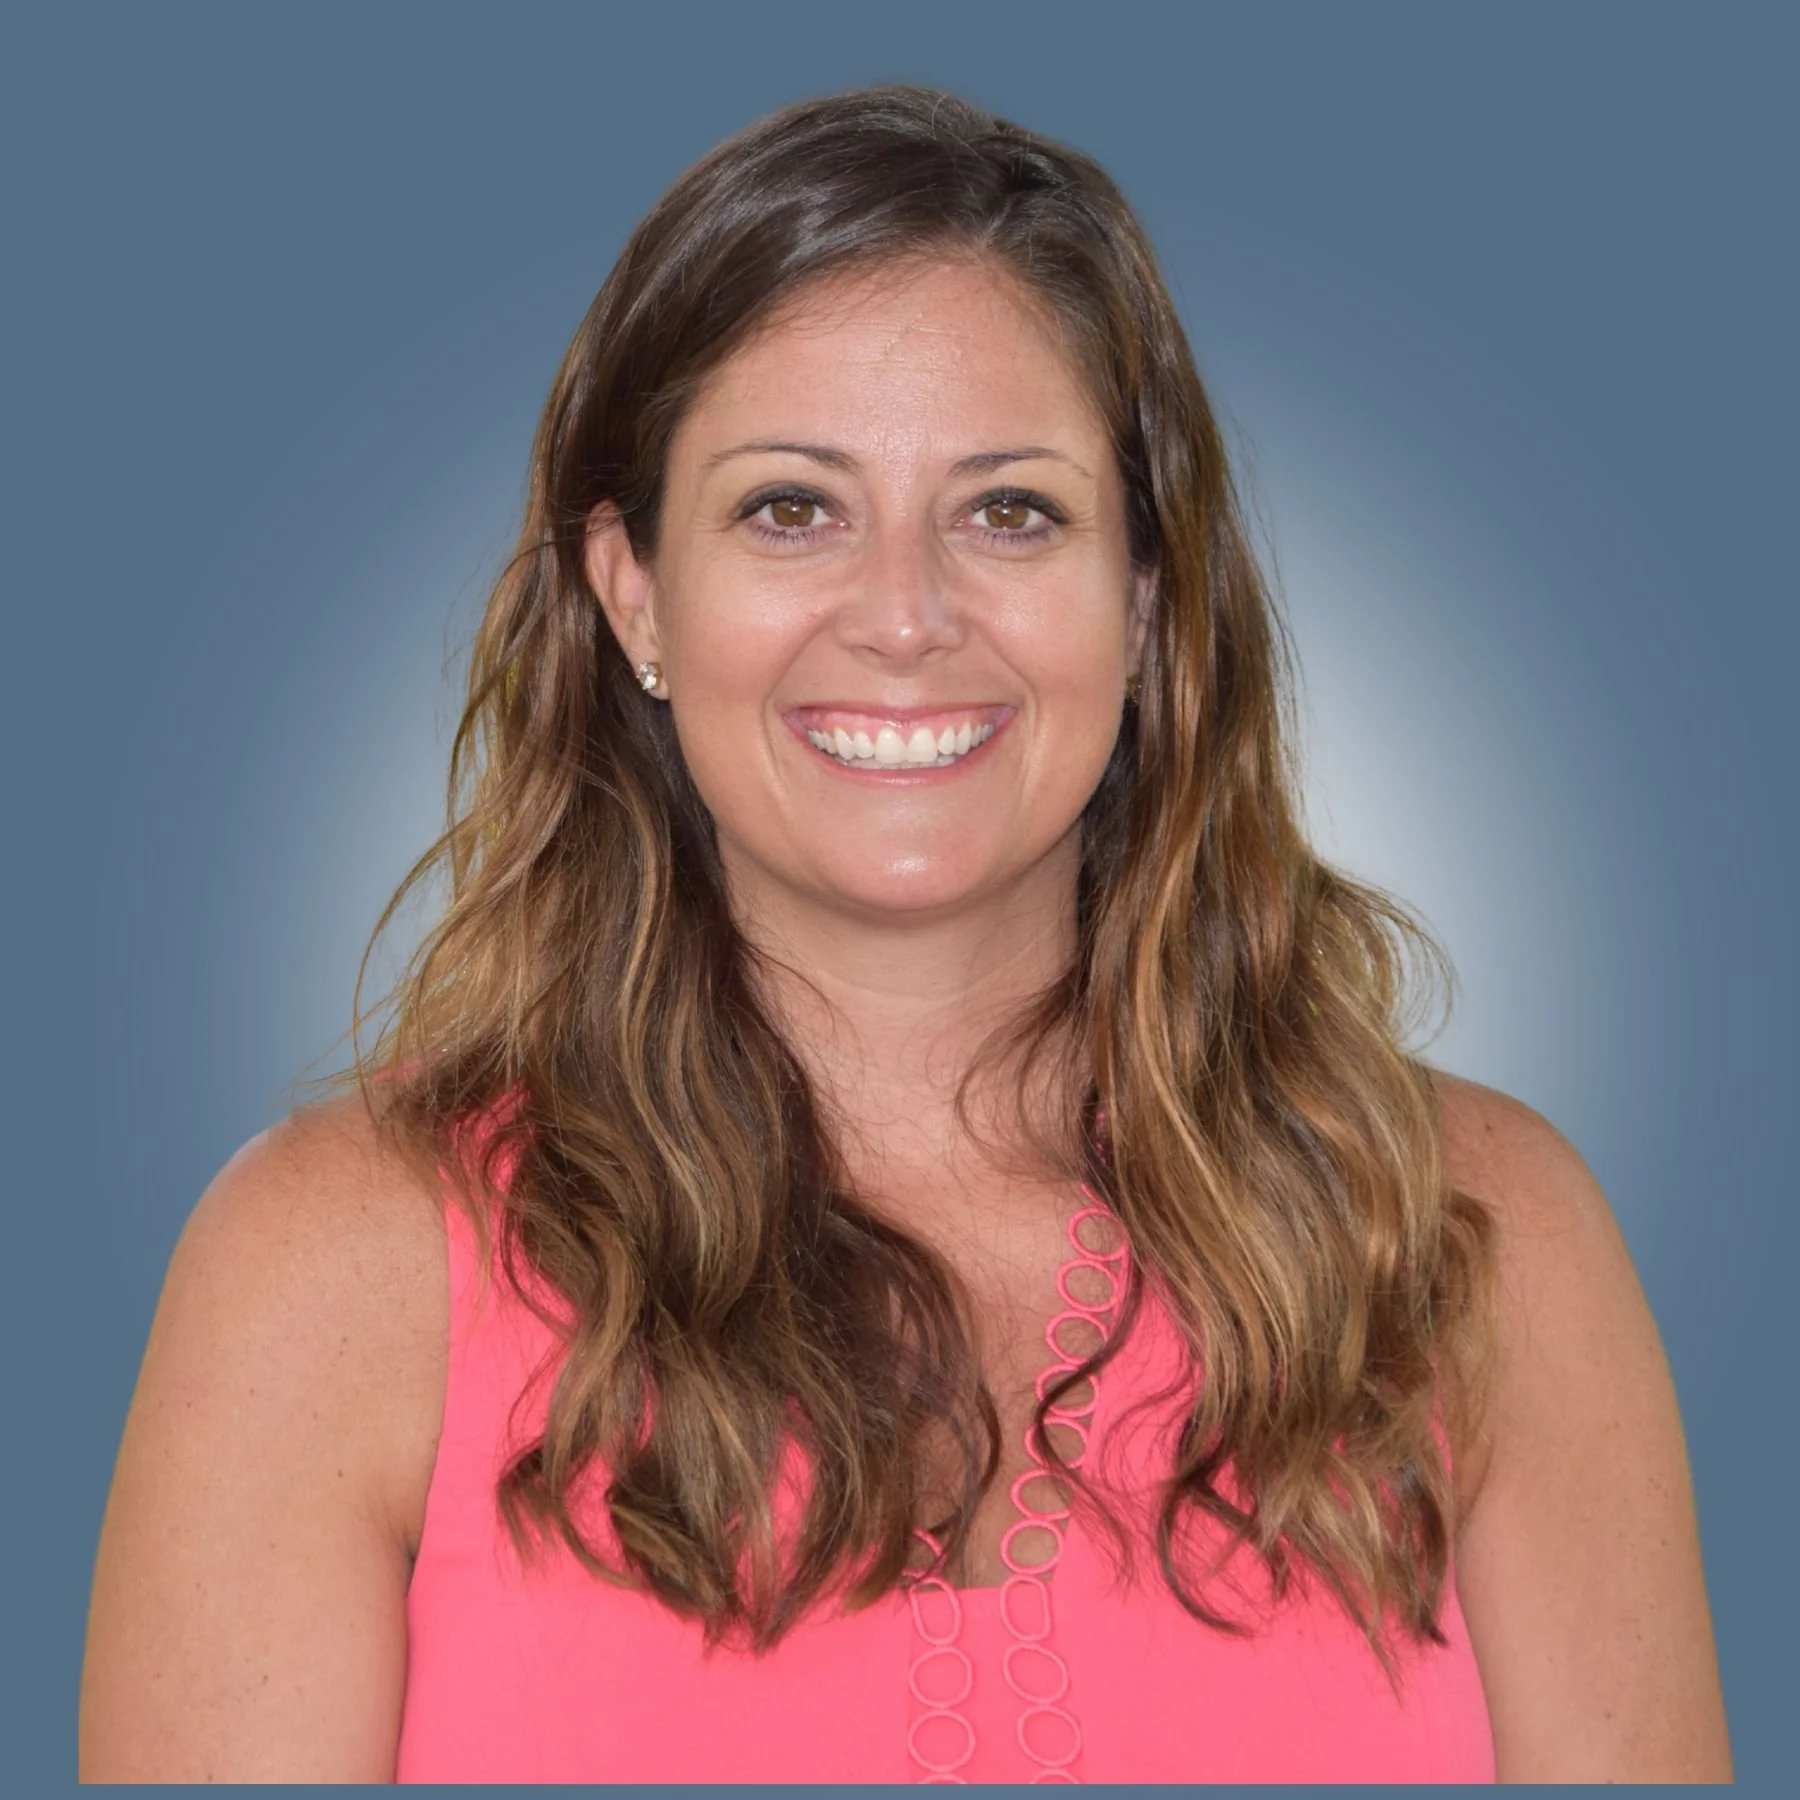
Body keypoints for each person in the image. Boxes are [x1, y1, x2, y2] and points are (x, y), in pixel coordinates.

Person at [78, 86, 1730, 1783]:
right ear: (634, 591)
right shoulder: (331, 1280)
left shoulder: (1475, 1245)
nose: (905, 616)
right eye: (790, 509)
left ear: (1143, 599)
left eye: (1009, 511)